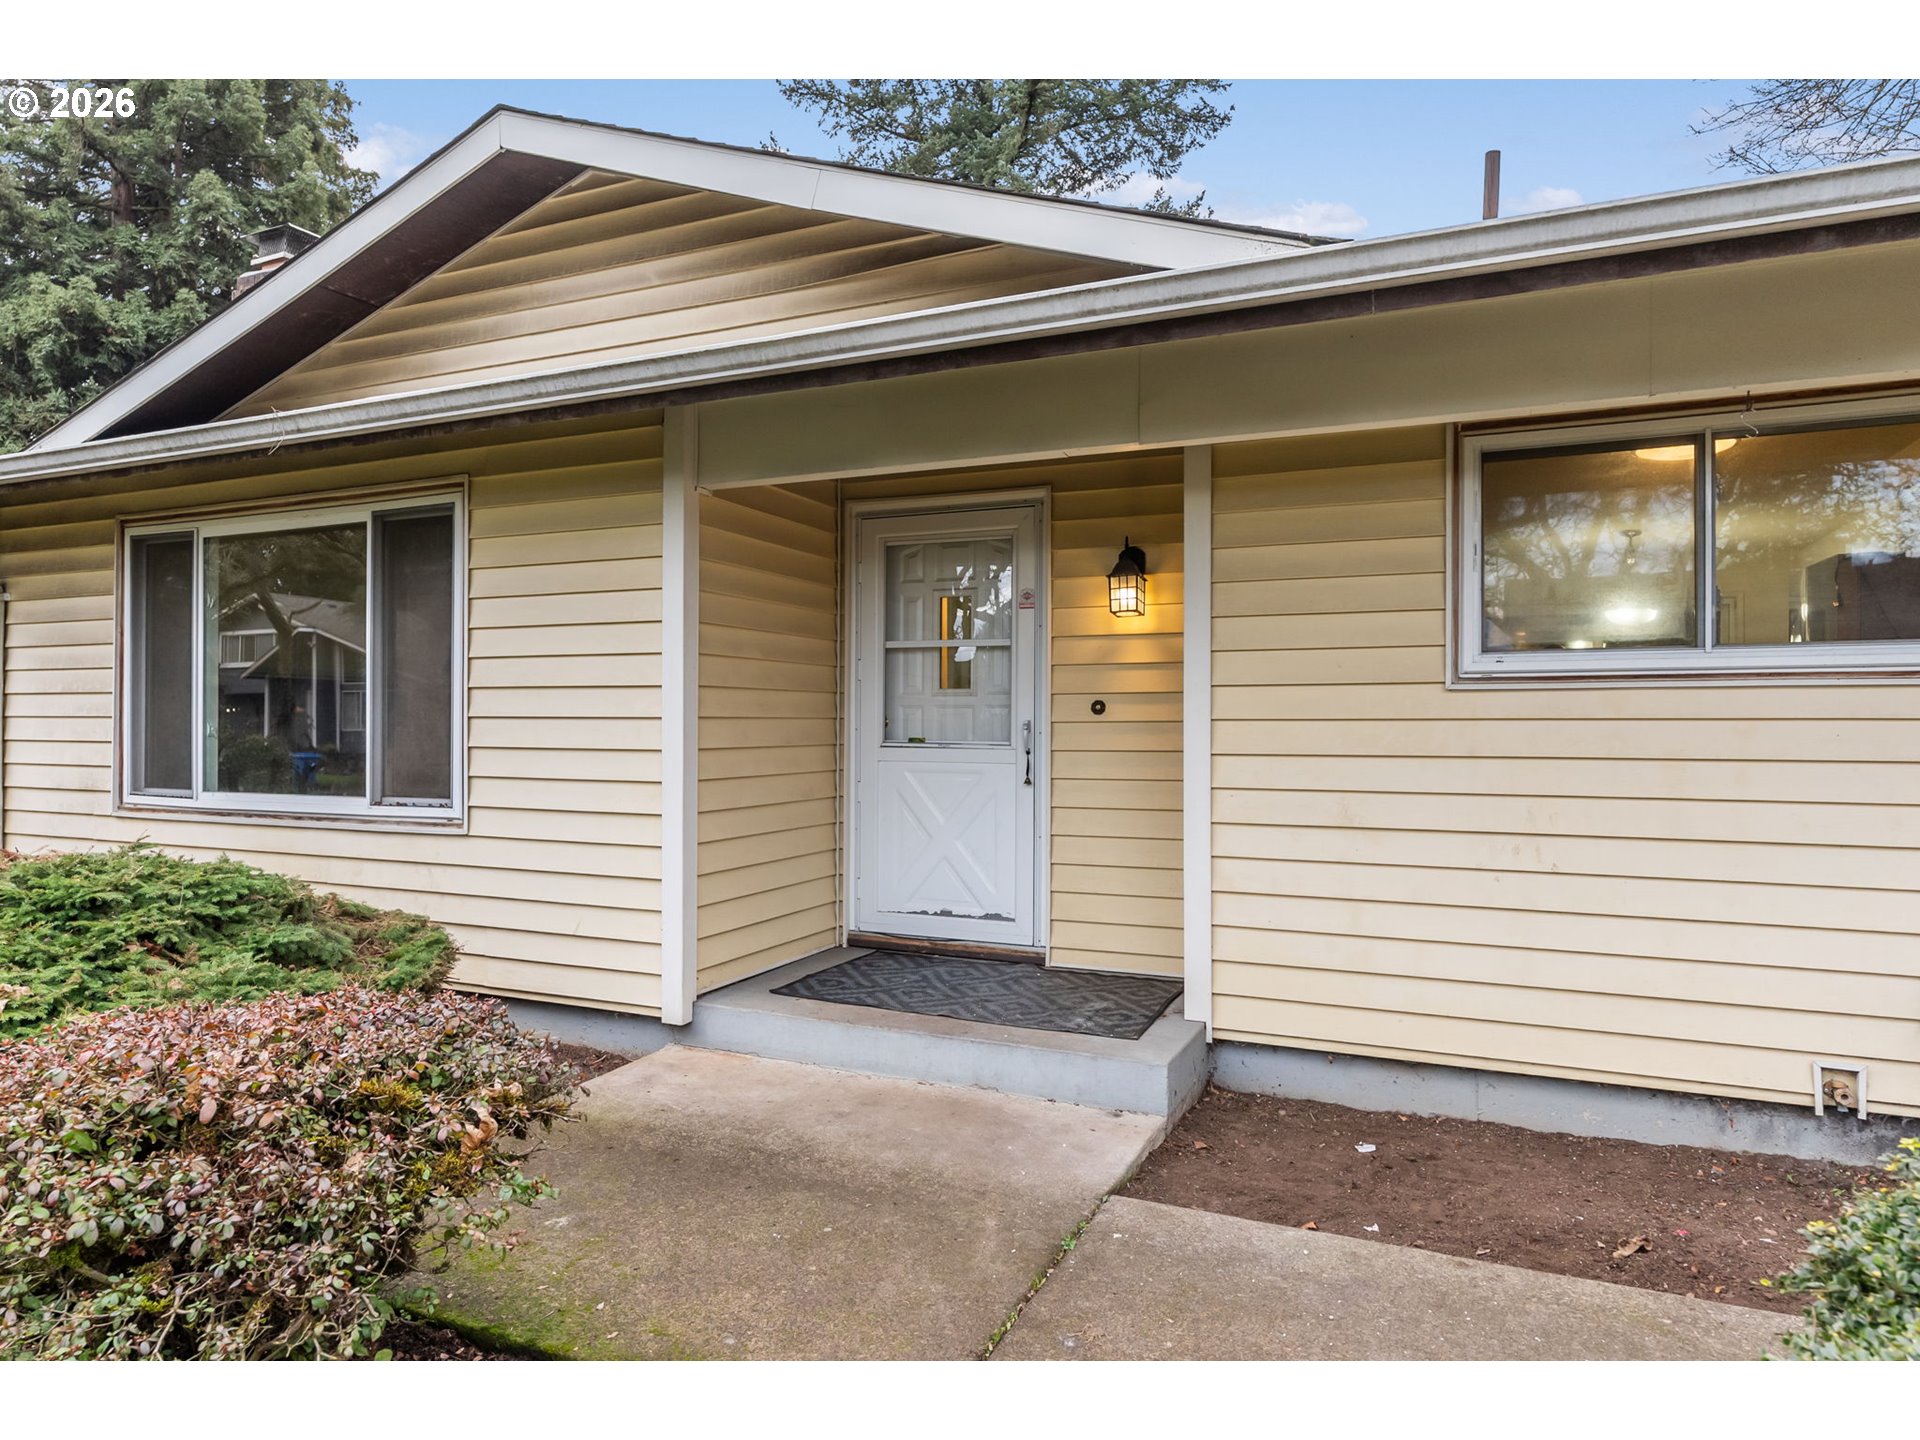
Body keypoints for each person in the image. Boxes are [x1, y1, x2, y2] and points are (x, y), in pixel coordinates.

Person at [288, 703, 323, 792]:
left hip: (304, 754)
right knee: (300, 773)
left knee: (307, 771)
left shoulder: (304, 732)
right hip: (298, 753)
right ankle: (302, 785)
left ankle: (306, 785)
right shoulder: (295, 729)